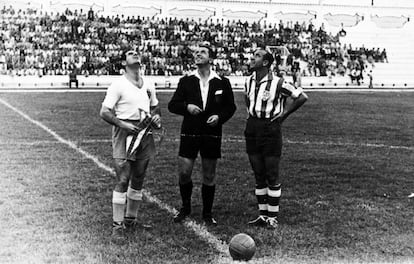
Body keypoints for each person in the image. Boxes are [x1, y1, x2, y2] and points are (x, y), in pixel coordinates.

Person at [168, 42, 236, 226]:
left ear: (211, 58)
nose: (198, 54)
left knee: (209, 174)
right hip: (189, 133)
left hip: (211, 134)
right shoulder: (186, 80)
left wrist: (219, 117)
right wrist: (187, 107)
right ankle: (185, 208)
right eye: (196, 52)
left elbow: (231, 107)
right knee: (184, 172)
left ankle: (207, 213)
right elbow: (172, 105)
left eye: (202, 52)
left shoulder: (222, 82)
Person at [99, 49, 161, 243]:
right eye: (130, 53)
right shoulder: (118, 84)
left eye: (137, 52)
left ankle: (131, 219)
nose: (136, 54)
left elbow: (154, 106)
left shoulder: (148, 83)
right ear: (124, 63)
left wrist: (156, 116)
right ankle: (117, 225)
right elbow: (104, 112)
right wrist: (122, 124)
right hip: (125, 132)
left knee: (139, 177)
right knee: (123, 178)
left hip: (144, 132)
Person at [244, 48, 308, 229]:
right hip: (253, 127)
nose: (252, 58)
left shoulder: (278, 82)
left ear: (265, 63)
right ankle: (263, 215)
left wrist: (282, 115)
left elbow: (301, 96)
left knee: (271, 173)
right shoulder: (248, 81)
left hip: (270, 129)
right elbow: (247, 101)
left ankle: (272, 217)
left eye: (256, 56)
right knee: (258, 173)